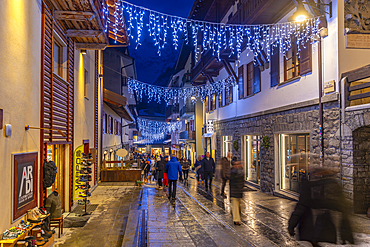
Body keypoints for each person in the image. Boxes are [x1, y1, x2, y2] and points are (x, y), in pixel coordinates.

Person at [288, 167, 354, 245]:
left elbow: (301, 207)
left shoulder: (309, 186)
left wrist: (291, 225)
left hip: (311, 228)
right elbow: (343, 208)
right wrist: (346, 234)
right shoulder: (333, 184)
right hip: (329, 228)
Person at [228, 161, 244, 225]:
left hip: (238, 192)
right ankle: (236, 220)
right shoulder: (233, 172)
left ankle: (236, 216)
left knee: (238, 206)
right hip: (234, 192)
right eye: (236, 164)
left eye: (238, 164)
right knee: (235, 205)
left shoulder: (240, 172)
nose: (237, 165)